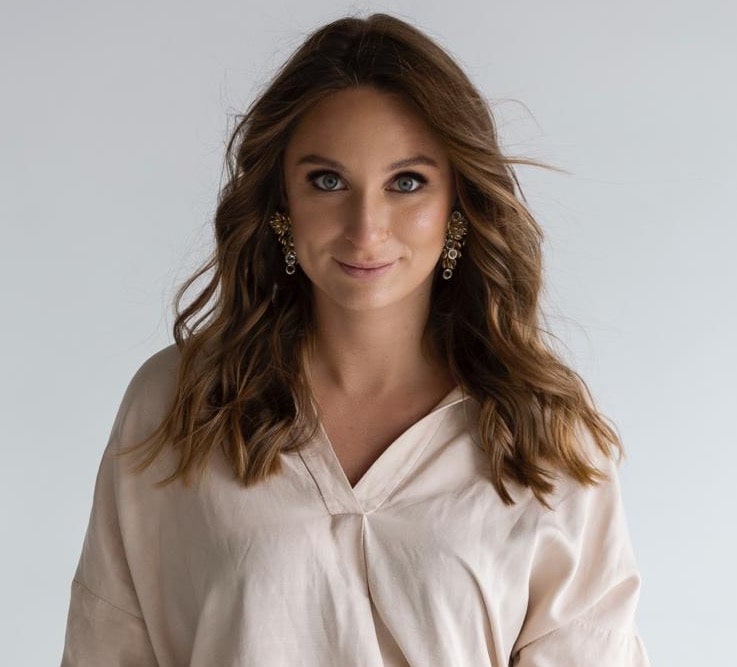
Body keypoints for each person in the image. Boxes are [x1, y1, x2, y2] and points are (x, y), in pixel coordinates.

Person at [61, 13, 650, 667]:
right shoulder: (179, 404)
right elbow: (106, 646)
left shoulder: (543, 430)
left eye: (406, 182)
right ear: (281, 203)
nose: (365, 229)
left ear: (456, 203)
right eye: (327, 181)